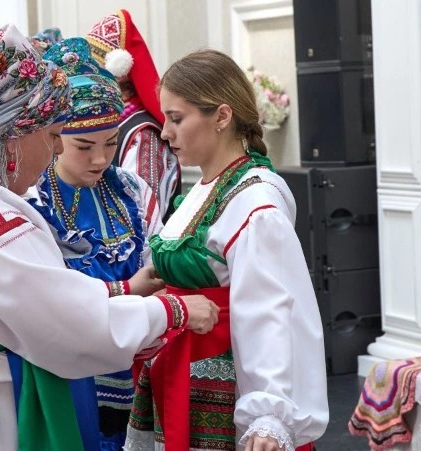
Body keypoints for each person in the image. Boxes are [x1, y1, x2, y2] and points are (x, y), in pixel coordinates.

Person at [0, 24, 219, 451]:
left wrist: (125, 291)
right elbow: (71, 326)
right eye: (54, 136)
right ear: (10, 137)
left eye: (110, 144)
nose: (57, 150)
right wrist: (172, 311)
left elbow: (44, 298)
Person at [124, 49, 329, 451]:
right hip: (182, 373)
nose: (164, 133)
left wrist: (268, 411)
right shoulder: (206, 188)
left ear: (221, 116)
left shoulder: (256, 204)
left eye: (176, 119)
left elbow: (269, 310)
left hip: (224, 382)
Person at [26, 37, 163, 450]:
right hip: (71, 373)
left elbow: (156, 259)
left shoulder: (132, 190)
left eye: (111, 143)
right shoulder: (32, 202)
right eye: (84, 146)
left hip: (138, 360)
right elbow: (45, 299)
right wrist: (127, 289)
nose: (100, 159)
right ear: (55, 138)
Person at [86, 9, 180, 221]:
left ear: (118, 72)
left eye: (93, 68)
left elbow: (141, 215)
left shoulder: (144, 135)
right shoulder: (110, 122)